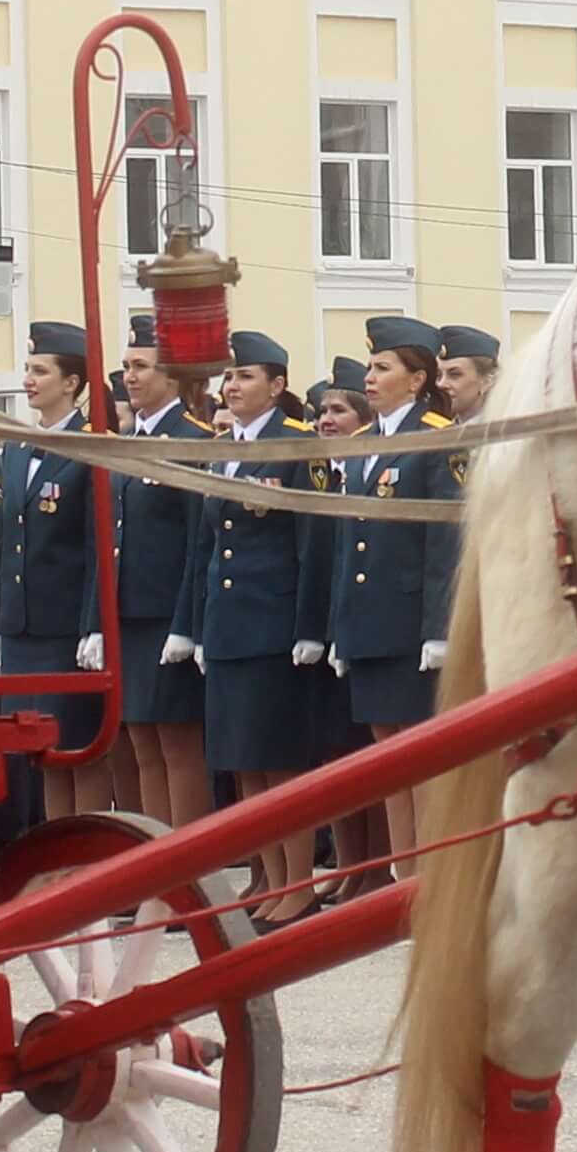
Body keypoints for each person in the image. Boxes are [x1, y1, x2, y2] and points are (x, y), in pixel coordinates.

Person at [184, 331, 351, 889]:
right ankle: (270, 878)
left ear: (277, 385)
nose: (232, 386)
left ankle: (296, 881)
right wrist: (201, 626)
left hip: (274, 629)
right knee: (243, 762)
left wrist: (308, 629)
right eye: (229, 377)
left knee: (279, 762)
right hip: (229, 626)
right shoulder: (227, 448)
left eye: (246, 376)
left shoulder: (297, 446)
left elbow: (313, 543)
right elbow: (209, 545)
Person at [330, 319, 465, 866]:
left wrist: (439, 630)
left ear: (416, 380)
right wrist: (342, 626)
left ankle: (428, 872)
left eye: (382, 368)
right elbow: (349, 542)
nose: (369, 377)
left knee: (420, 753)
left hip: (412, 622)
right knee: (388, 751)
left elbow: (445, 539)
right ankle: (401, 873)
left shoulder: (436, 437)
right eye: (370, 367)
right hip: (370, 621)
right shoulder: (363, 446)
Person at [0, 321, 105, 840]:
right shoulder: (17, 448)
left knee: (75, 749)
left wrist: (93, 625)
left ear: (73, 383)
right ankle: (57, 859)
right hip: (22, 626)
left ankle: (88, 860)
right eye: (28, 369)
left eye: (40, 371)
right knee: (37, 753)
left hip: (64, 629)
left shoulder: (91, 448)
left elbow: (96, 547)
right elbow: (5, 541)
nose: (28, 380)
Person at [109, 320, 214, 829]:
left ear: (172, 377)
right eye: (127, 366)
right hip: (131, 614)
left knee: (178, 745)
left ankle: (189, 873)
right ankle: (156, 867)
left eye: (140, 366)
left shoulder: (192, 439)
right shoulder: (131, 440)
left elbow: (199, 541)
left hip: (169, 616)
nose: (129, 376)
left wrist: (186, 623)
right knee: (142, 744)